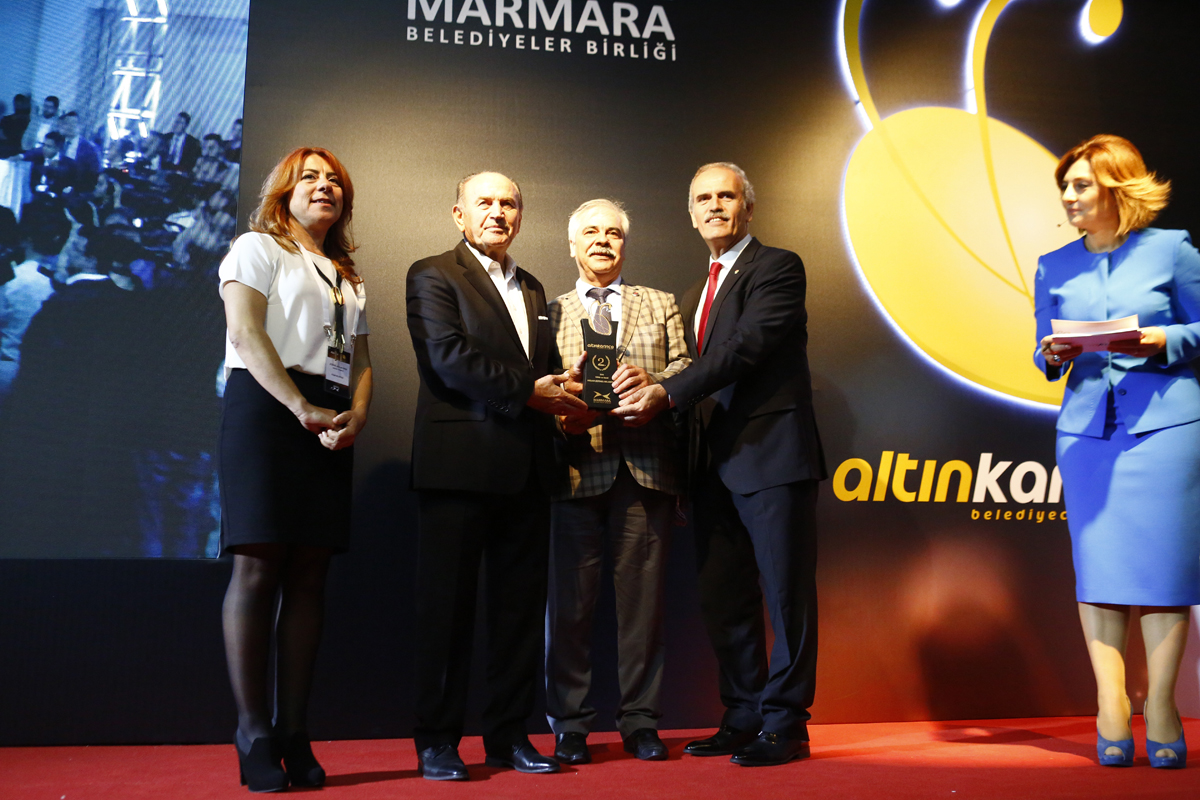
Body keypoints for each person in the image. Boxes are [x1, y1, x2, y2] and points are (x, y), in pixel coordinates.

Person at [614, 162, 826, 767]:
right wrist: (651, 389)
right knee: (724, 597)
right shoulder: (692, 295)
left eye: (726, 196)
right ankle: (743, 714)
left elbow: (745, 347)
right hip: (710, 467)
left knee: (785, 597)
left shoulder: (777, 267)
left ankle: (786, 724)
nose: (714, 206)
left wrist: (666, 392)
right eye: (703, 198)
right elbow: (694, 373)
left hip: (773, 457)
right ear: (691, 213)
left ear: (747, 208)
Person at [405, 171, 587, 781]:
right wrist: (533, 392)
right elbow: (448, 359)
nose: (498, 212)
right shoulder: (431, 274)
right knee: (446, 615)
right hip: (456, 470)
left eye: (509, 203)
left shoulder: (533, 286)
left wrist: (567, 392)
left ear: (521, 216)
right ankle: (437, 742)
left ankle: (509, 736)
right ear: (459, 214)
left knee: (518, 616)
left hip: (526, 470)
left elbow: (540, 369)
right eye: (484, 202)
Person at [1035, 134, 1199, 770]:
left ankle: (1160, 703)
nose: (1068, 196)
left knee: (1164, 571)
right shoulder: (1053, 264)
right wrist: (1050, 353)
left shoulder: (1171, 248)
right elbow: (1042, 347)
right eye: (1065, 187)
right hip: (1085, 433)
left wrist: (1163, 339)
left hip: (1167, 430)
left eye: (1081, 185)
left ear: (1117, 187)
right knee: (1099, 569)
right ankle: (1110, 703)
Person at [217, 147, 372, 791]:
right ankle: (253, 732)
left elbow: (361, 361)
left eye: (335, 180)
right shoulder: (256, 248)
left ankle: (295, 731)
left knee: (310, 574)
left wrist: (357, 414)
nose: (324, 186)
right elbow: (246, 334)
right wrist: (297, 405)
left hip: (329, 415)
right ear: (284, 191)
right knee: (259, 567)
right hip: (266, 406)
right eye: (310, 177)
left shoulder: (347, 275)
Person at [545, 199, 689, 764]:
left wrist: (652, 383)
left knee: (644, 609)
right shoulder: (549, 313)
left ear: (625, 244)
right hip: (574, 470)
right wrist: (563, 415)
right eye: (590, 232)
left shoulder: (661, 303)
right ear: (572, 244)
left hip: (645, 469)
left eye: (613, 232)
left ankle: (641, 722)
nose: (602, 240)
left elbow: (686, 369)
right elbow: (537, 386)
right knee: (569, 608)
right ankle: (570, 725)